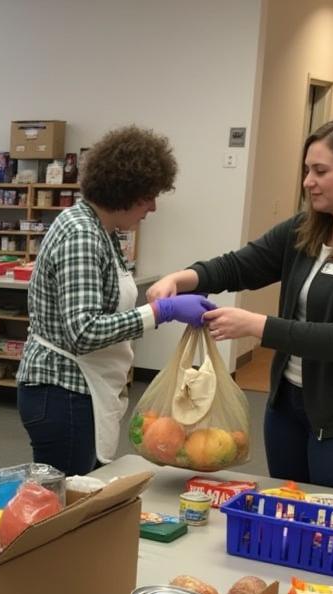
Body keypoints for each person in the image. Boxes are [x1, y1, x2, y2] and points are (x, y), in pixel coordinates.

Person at [149, 114, 333, 491]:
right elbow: (238, 266)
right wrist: (180, 278)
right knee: (287, 511)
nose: (307, 182)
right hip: (287, 406)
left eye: (320, 171)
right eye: (305, 170)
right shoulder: (306, 229)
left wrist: (255, 326)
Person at [15, 126, 214, 475]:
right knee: (67, 506)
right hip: (63, 391)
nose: (152, 207)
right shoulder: (81, 235)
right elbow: (84, 332)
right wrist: (160, 312)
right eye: (147, 196)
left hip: (80, 389)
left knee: (80, 494)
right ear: (123, 190)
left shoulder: (101, 230)